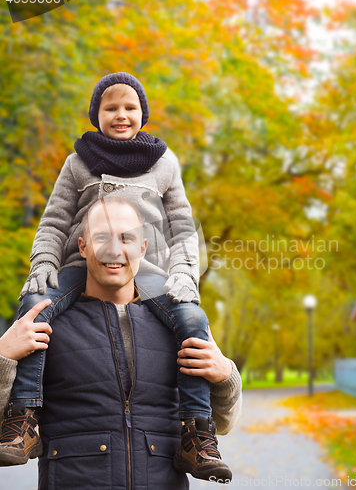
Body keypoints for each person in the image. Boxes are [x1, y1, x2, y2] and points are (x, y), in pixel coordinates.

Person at [0, 72, 230, 480]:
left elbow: (182, 226)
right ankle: (23, 420)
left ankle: (197, 433)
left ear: (143, 113)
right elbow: (53, 222)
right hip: (75, 268)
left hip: (156, 273)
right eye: (111, 108)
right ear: (96, 114)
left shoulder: (163, 162)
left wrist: (184, 275)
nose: (121, 115)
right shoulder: (78, 163)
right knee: (35, 307)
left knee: (193, 318)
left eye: (130, 108)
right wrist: (43, 266)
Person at [0, 198, 242, 488]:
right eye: (101, 237)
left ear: (143, 247)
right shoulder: (45, 323)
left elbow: (223, 424)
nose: (114, 250)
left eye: (126, 238)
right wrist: (3, 356)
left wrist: (226, 376)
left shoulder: (176, 325)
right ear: (83, 247)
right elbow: (9, 428)